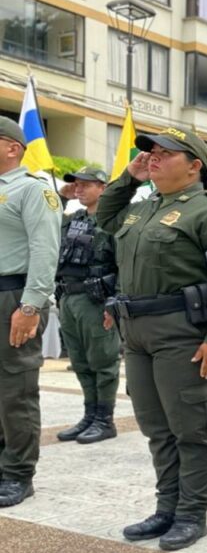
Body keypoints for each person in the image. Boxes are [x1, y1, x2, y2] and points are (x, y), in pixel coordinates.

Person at [96, 128, 207, 550]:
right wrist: (129, 176)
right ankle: (167, 507)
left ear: (195, 166)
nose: (154, 158)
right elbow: (104, 218)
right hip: (139, 332)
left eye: (166, 153)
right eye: (151, 153)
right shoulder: (143, 207)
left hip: (183, 332)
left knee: (193, 428)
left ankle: (191, 514)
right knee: (157, 428)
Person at [0, 119, 61, 507]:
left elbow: (45, 249)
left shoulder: (32, 189)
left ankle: (19, 473)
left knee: (16, 390)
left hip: (12, 296)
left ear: (11, 148)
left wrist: (30, 305)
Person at [54, 167, 121, 445]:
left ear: (103, 188)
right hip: (69, 297)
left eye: (86, 185)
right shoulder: (74, 219)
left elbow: (124, 265)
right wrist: (62, 197)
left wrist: (114, 305)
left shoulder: (114, 221)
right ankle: (89, 415)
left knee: (103, 362)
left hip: (97, 300)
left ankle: (105, 420)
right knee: (80, 361)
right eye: (76, 185)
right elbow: (45, 224)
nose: (79, 189)